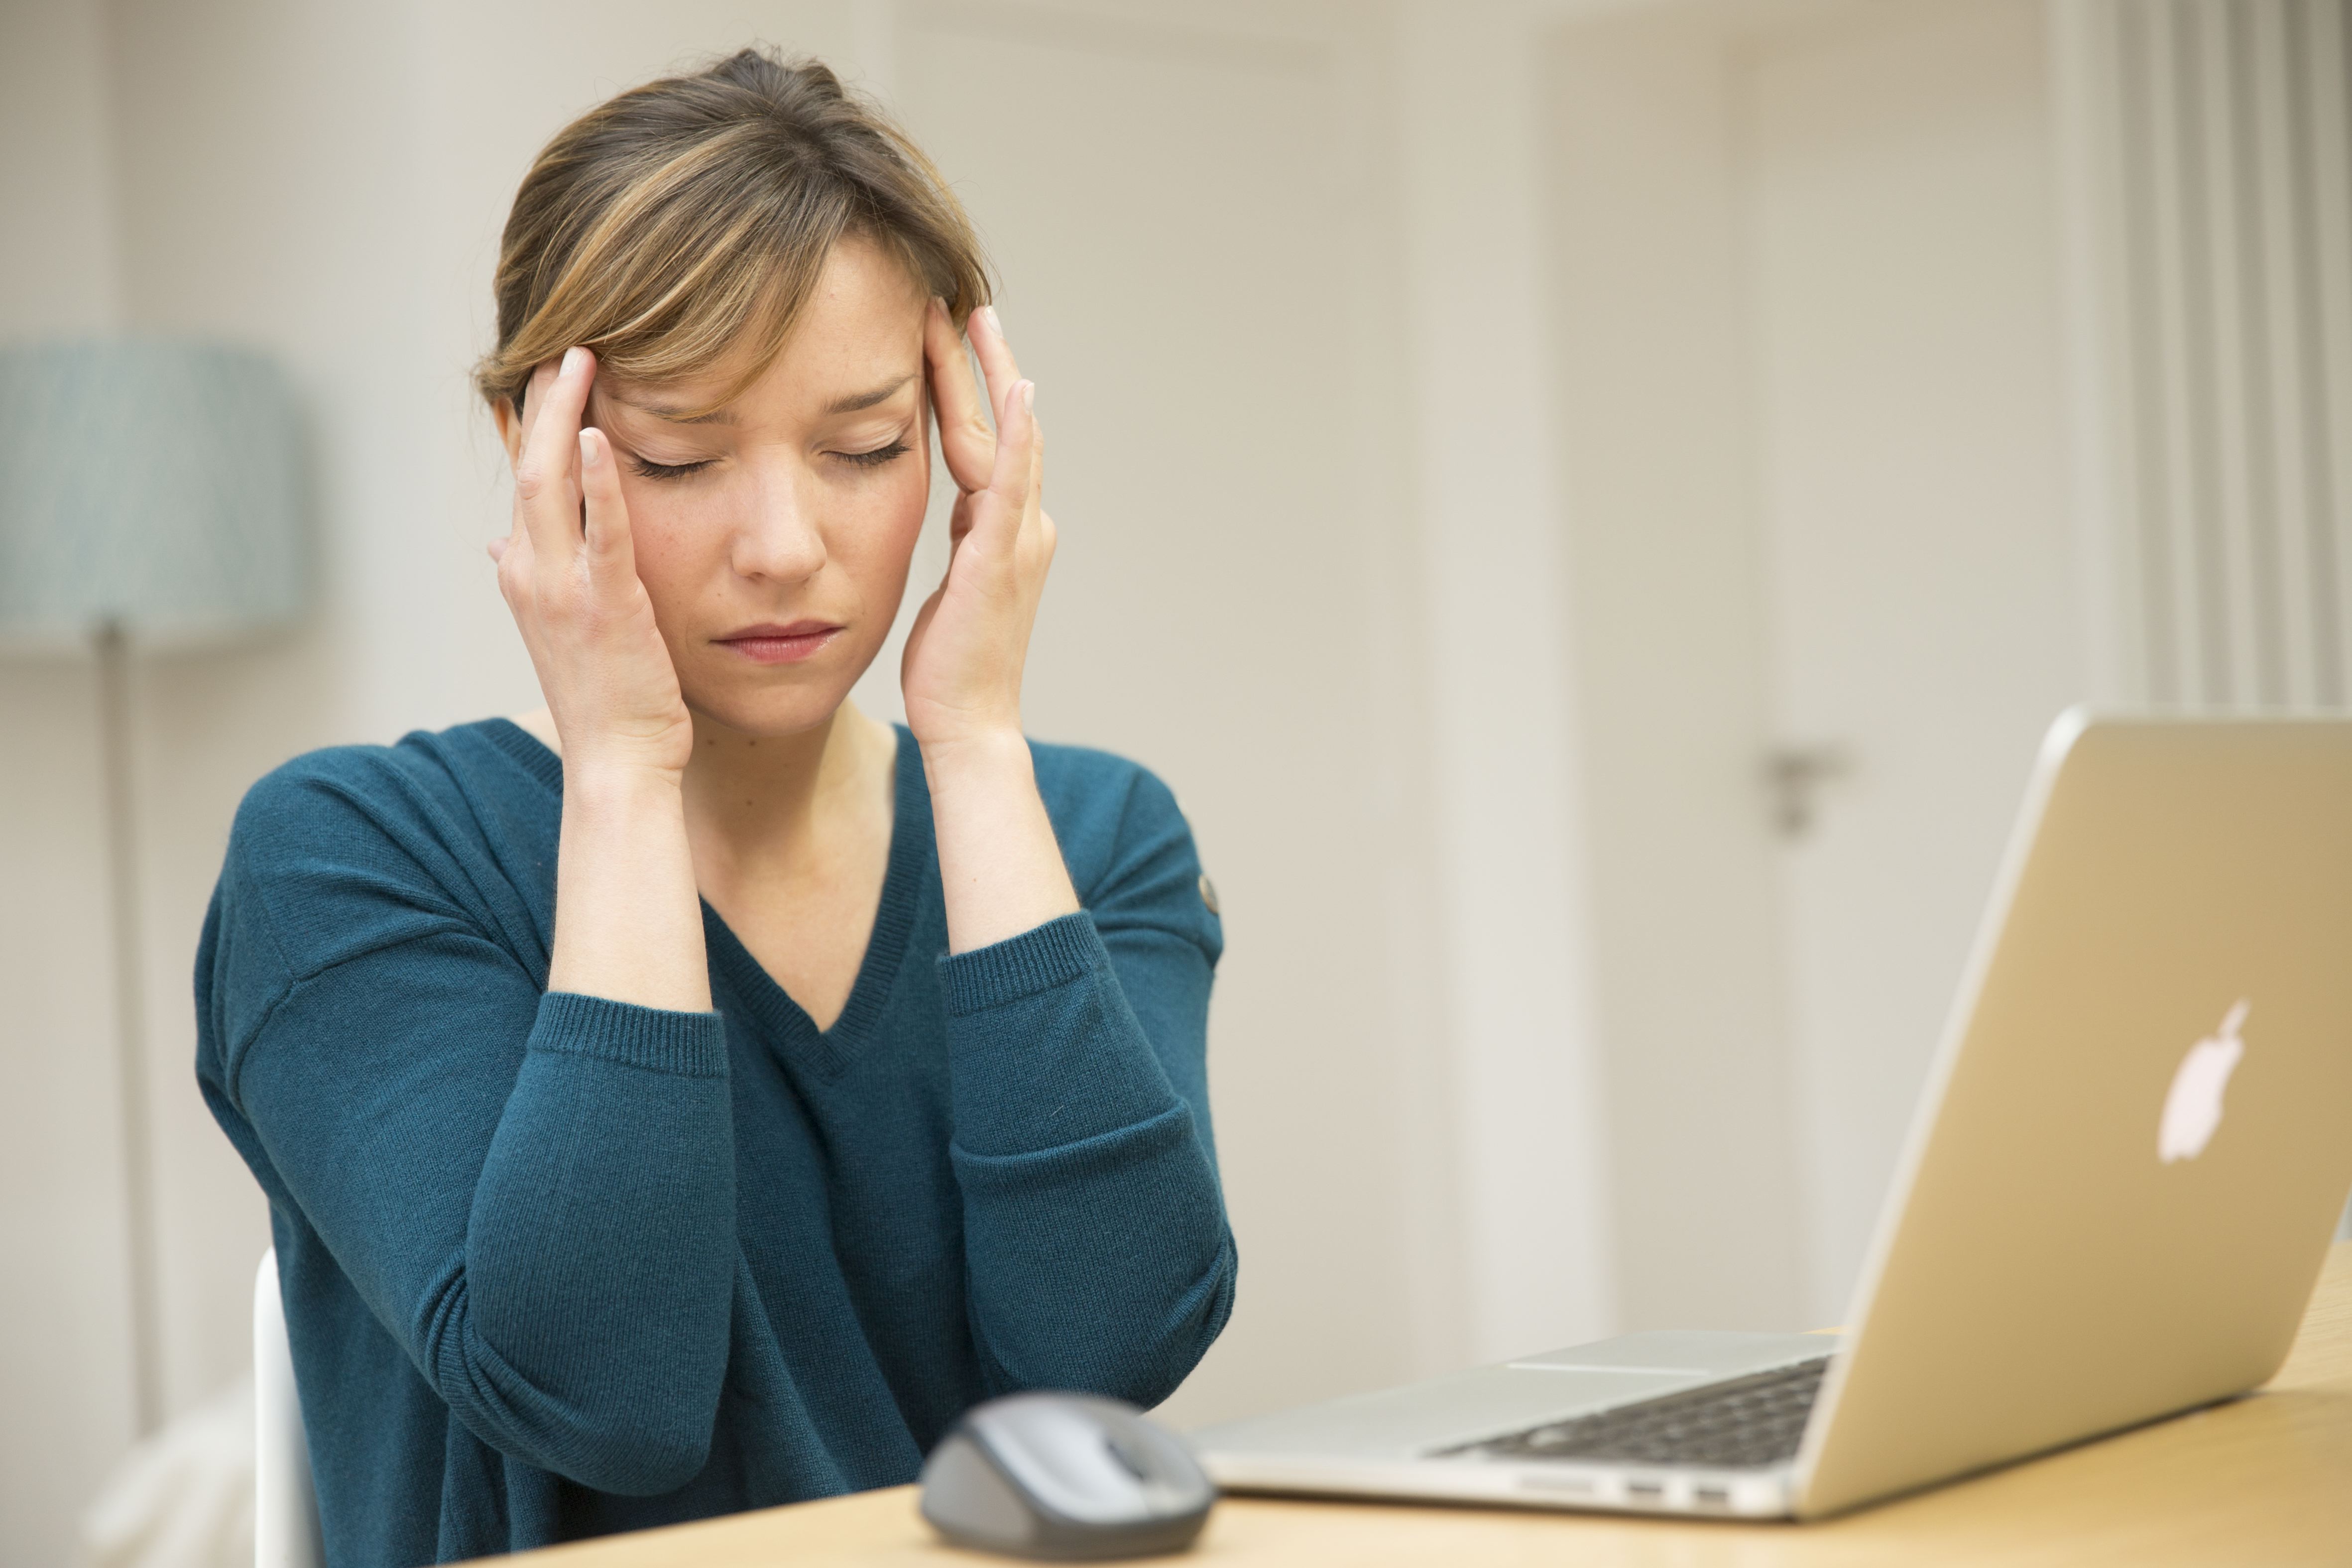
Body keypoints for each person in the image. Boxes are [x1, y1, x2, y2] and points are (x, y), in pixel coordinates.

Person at [195, 48, 1233, 1566]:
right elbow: (601, 1397)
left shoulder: (1089, 838)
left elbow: (1109, 1359)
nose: (781, 544)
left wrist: (977, 741)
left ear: (958, 437)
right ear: (538, 451)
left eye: (862, 448)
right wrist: (619, 766)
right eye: (684, 454)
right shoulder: (352, 856)